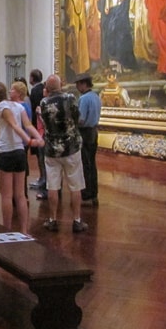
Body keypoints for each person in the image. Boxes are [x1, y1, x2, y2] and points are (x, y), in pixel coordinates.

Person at [0, 81, 44, 234]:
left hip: (5, 152)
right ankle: (24, 231)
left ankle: (7, 230)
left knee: (7, 196)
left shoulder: (1, 107)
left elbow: (15, 126)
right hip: (19, 152)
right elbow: (29, 125)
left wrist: (29, 141)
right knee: (20, 195)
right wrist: (38, 137)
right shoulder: (19, 106)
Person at [39, 74, 88, 233]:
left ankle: (53, 219)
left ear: (47, 87)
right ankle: (77, 220)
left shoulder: (44, 102)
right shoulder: (70, 98)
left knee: (52, 186)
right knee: (75, 185)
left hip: (52, 149)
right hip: (71, 147)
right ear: (60, 85)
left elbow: (45, 121)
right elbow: (77, 117)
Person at [74, 73, 101, 206]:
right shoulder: (96, 96)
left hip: (84, 133)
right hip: (94, 132)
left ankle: (87, 195)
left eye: (78, 84)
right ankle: (94, 194)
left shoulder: (84, 99)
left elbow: (81, 119)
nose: (77, 87)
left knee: (85, 165)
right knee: (92, 164)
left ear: (84, 84)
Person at [28, 69, 47, 196]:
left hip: (38, 127)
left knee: (42, 157)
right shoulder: (41, 88)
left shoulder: (35, 90)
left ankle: (43, 180)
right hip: (40, 128)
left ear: (32, 78)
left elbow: (34, 109)